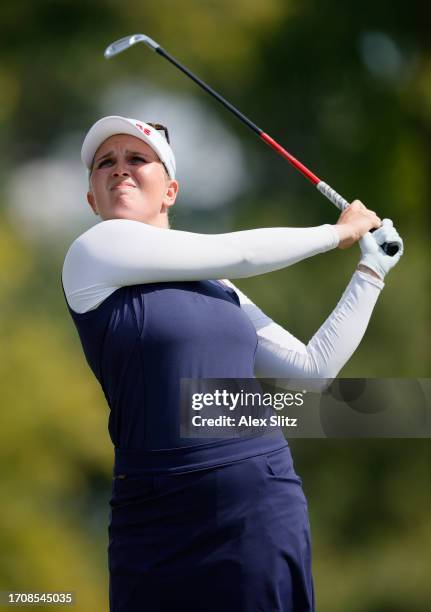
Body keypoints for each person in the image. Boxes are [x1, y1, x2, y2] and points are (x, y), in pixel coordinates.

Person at [61, 115, 403, 612]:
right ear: (92, 198)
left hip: (257, 499)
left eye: (137, 158)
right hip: (151, 512)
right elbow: (238, 251)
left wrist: (371, 271)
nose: (120, 169)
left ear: (170, 191)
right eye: (105, 163)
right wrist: (338, 232)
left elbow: (310, 369)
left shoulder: (222, 287)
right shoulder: (92, 251)